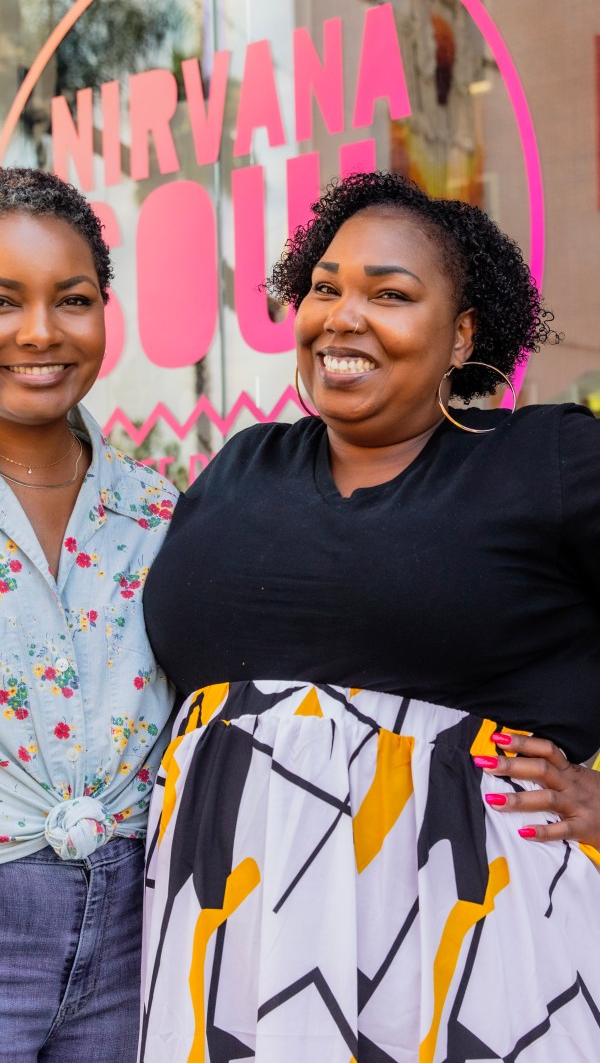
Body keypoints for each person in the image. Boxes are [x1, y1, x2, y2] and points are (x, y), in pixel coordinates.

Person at [139, 171, 600, 1062]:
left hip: (474, 949)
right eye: (326, 288)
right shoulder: (240, 466)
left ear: (463, 333)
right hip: (235, 948)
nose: (344, 317)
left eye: (390, 294)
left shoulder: (547, 461)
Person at [0, 167, 178, 1061]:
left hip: (134, 927)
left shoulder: (160, 510)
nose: (39, 332)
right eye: (4, 301)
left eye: (71, 299)